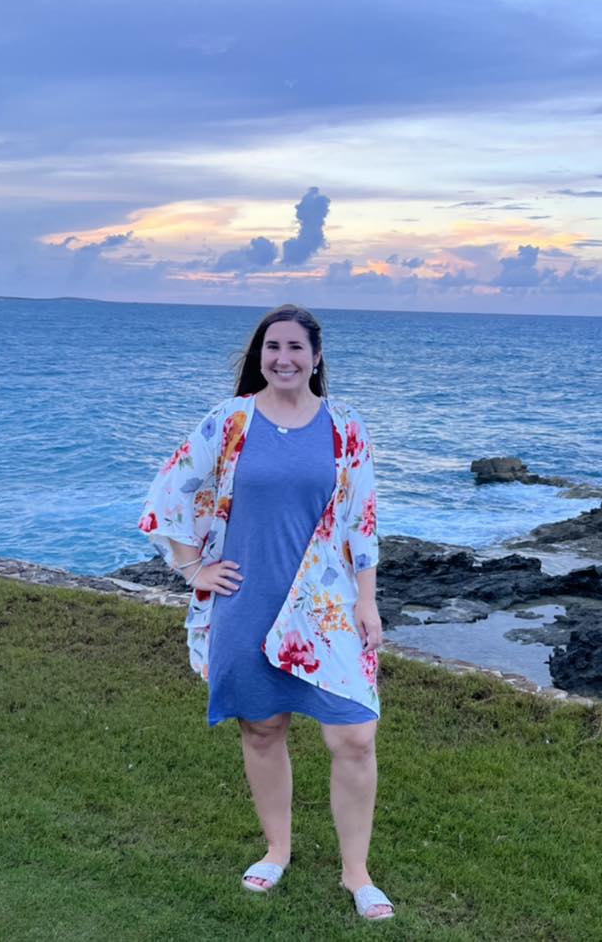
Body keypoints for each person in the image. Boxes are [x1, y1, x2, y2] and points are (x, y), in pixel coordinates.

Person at [138, 304, 393, 922]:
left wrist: (367, 599)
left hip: (326, 603)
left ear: (316, 356)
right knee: (262, 729)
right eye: (272, 347)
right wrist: (192, 567)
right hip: (246, 596)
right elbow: (170, 489)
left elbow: (362, 520)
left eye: (296, 348)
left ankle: (355, 872)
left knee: (355, 736)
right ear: (259, 354)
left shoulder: (344, 427)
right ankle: (277, 849)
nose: (283, 358)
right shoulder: (230, 421)